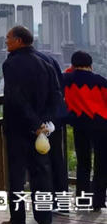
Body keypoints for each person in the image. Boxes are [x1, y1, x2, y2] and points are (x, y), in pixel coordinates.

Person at [2, 26, 60, 224]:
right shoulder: (47, 63)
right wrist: (44, 124)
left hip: (19, 129)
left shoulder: (12, 64)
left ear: (18, 40)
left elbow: (16, 97)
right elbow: (56, 98)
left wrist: (34, 123)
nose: (6, 41)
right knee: (41, 175)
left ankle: (18, 221)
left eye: (8, 38)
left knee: (17, 178)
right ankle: (44, 219)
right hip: (42, 132)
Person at [62, 50, 107, 210]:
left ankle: (82, 201)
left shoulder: (67, 79)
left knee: (83, 164)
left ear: (73, 65)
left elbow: (63, 76)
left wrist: (71, 70)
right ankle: (98, 202)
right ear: (91, 64)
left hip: (80, 126)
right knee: (101, 164)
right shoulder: (101, 81)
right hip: (102, 127)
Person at [32, 48, 69, 208]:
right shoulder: (49, 58)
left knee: (41, 163)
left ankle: (47, 205)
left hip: (40, 121)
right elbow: (60, 87)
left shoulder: (26, 61)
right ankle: (62, 202)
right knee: (56, 159)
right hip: (55, 118)